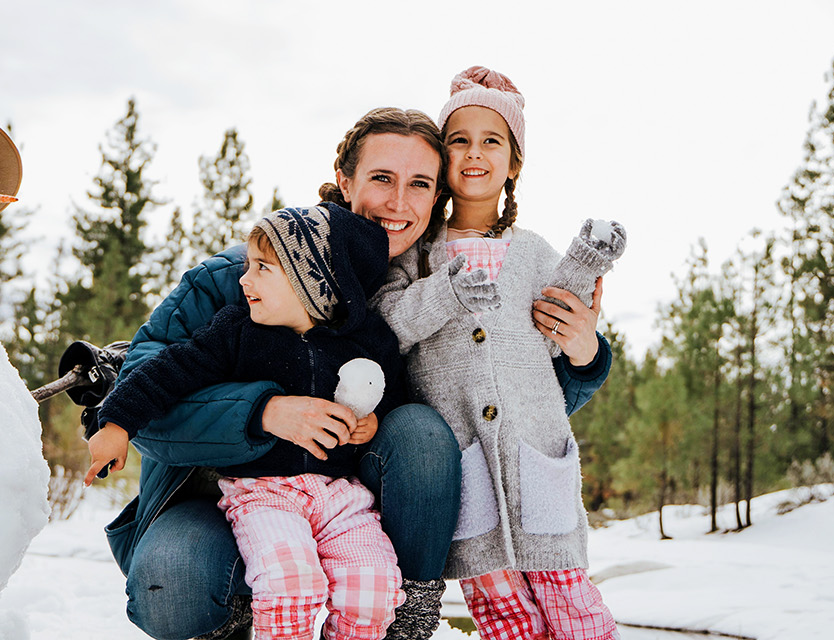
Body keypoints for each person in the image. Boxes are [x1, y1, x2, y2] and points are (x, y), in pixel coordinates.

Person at [103, 107, 612, 640]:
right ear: (344, 181)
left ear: (437, 197)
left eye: (419, 184)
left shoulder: (436, 287)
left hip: (354, 499)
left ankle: (405, 614)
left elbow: (500, 407)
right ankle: (247, 615)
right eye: (381, 178)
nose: (398, 202)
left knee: (420, 430)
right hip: (225, 491)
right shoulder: (243, 276)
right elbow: (142, 387)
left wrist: (582, 353)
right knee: (176, 582)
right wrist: (264, 411)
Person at [372, 66, 617, 640]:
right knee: (502, 611)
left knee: (572, 603)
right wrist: (445, 292)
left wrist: (583, 306)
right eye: (458, 140)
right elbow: (390, 325)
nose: (474, 153)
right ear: (441, 156)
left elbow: (562, 332)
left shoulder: (533, 253)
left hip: (537, 459)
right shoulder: (415, 253)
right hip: (466, 461)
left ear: (513, 163)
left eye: (492, 141)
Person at [86, 207, 408, 640]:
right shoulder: (237, 331)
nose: (244, 280)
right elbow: (169, 369)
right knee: (290, 584)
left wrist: (373, 421)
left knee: (373, 587)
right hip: (265, 494)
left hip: (340, 498)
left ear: (312, 282)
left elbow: (396, 391)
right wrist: (116, 424)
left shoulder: (365, 341)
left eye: (262, 268)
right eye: (247, 267)